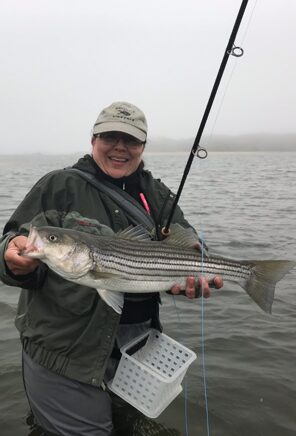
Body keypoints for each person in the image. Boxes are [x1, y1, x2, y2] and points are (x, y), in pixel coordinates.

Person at [0, 101, 223, 436]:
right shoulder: (59, 185)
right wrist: (12, 261)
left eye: (131, 140)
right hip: (66, 351)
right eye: (110, 137)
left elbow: (186, 236)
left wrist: (192, 259)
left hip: (136, 348)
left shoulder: (157, 193)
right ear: (93, 140)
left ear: (143, 147)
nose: (120, 147)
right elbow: (12, 240)